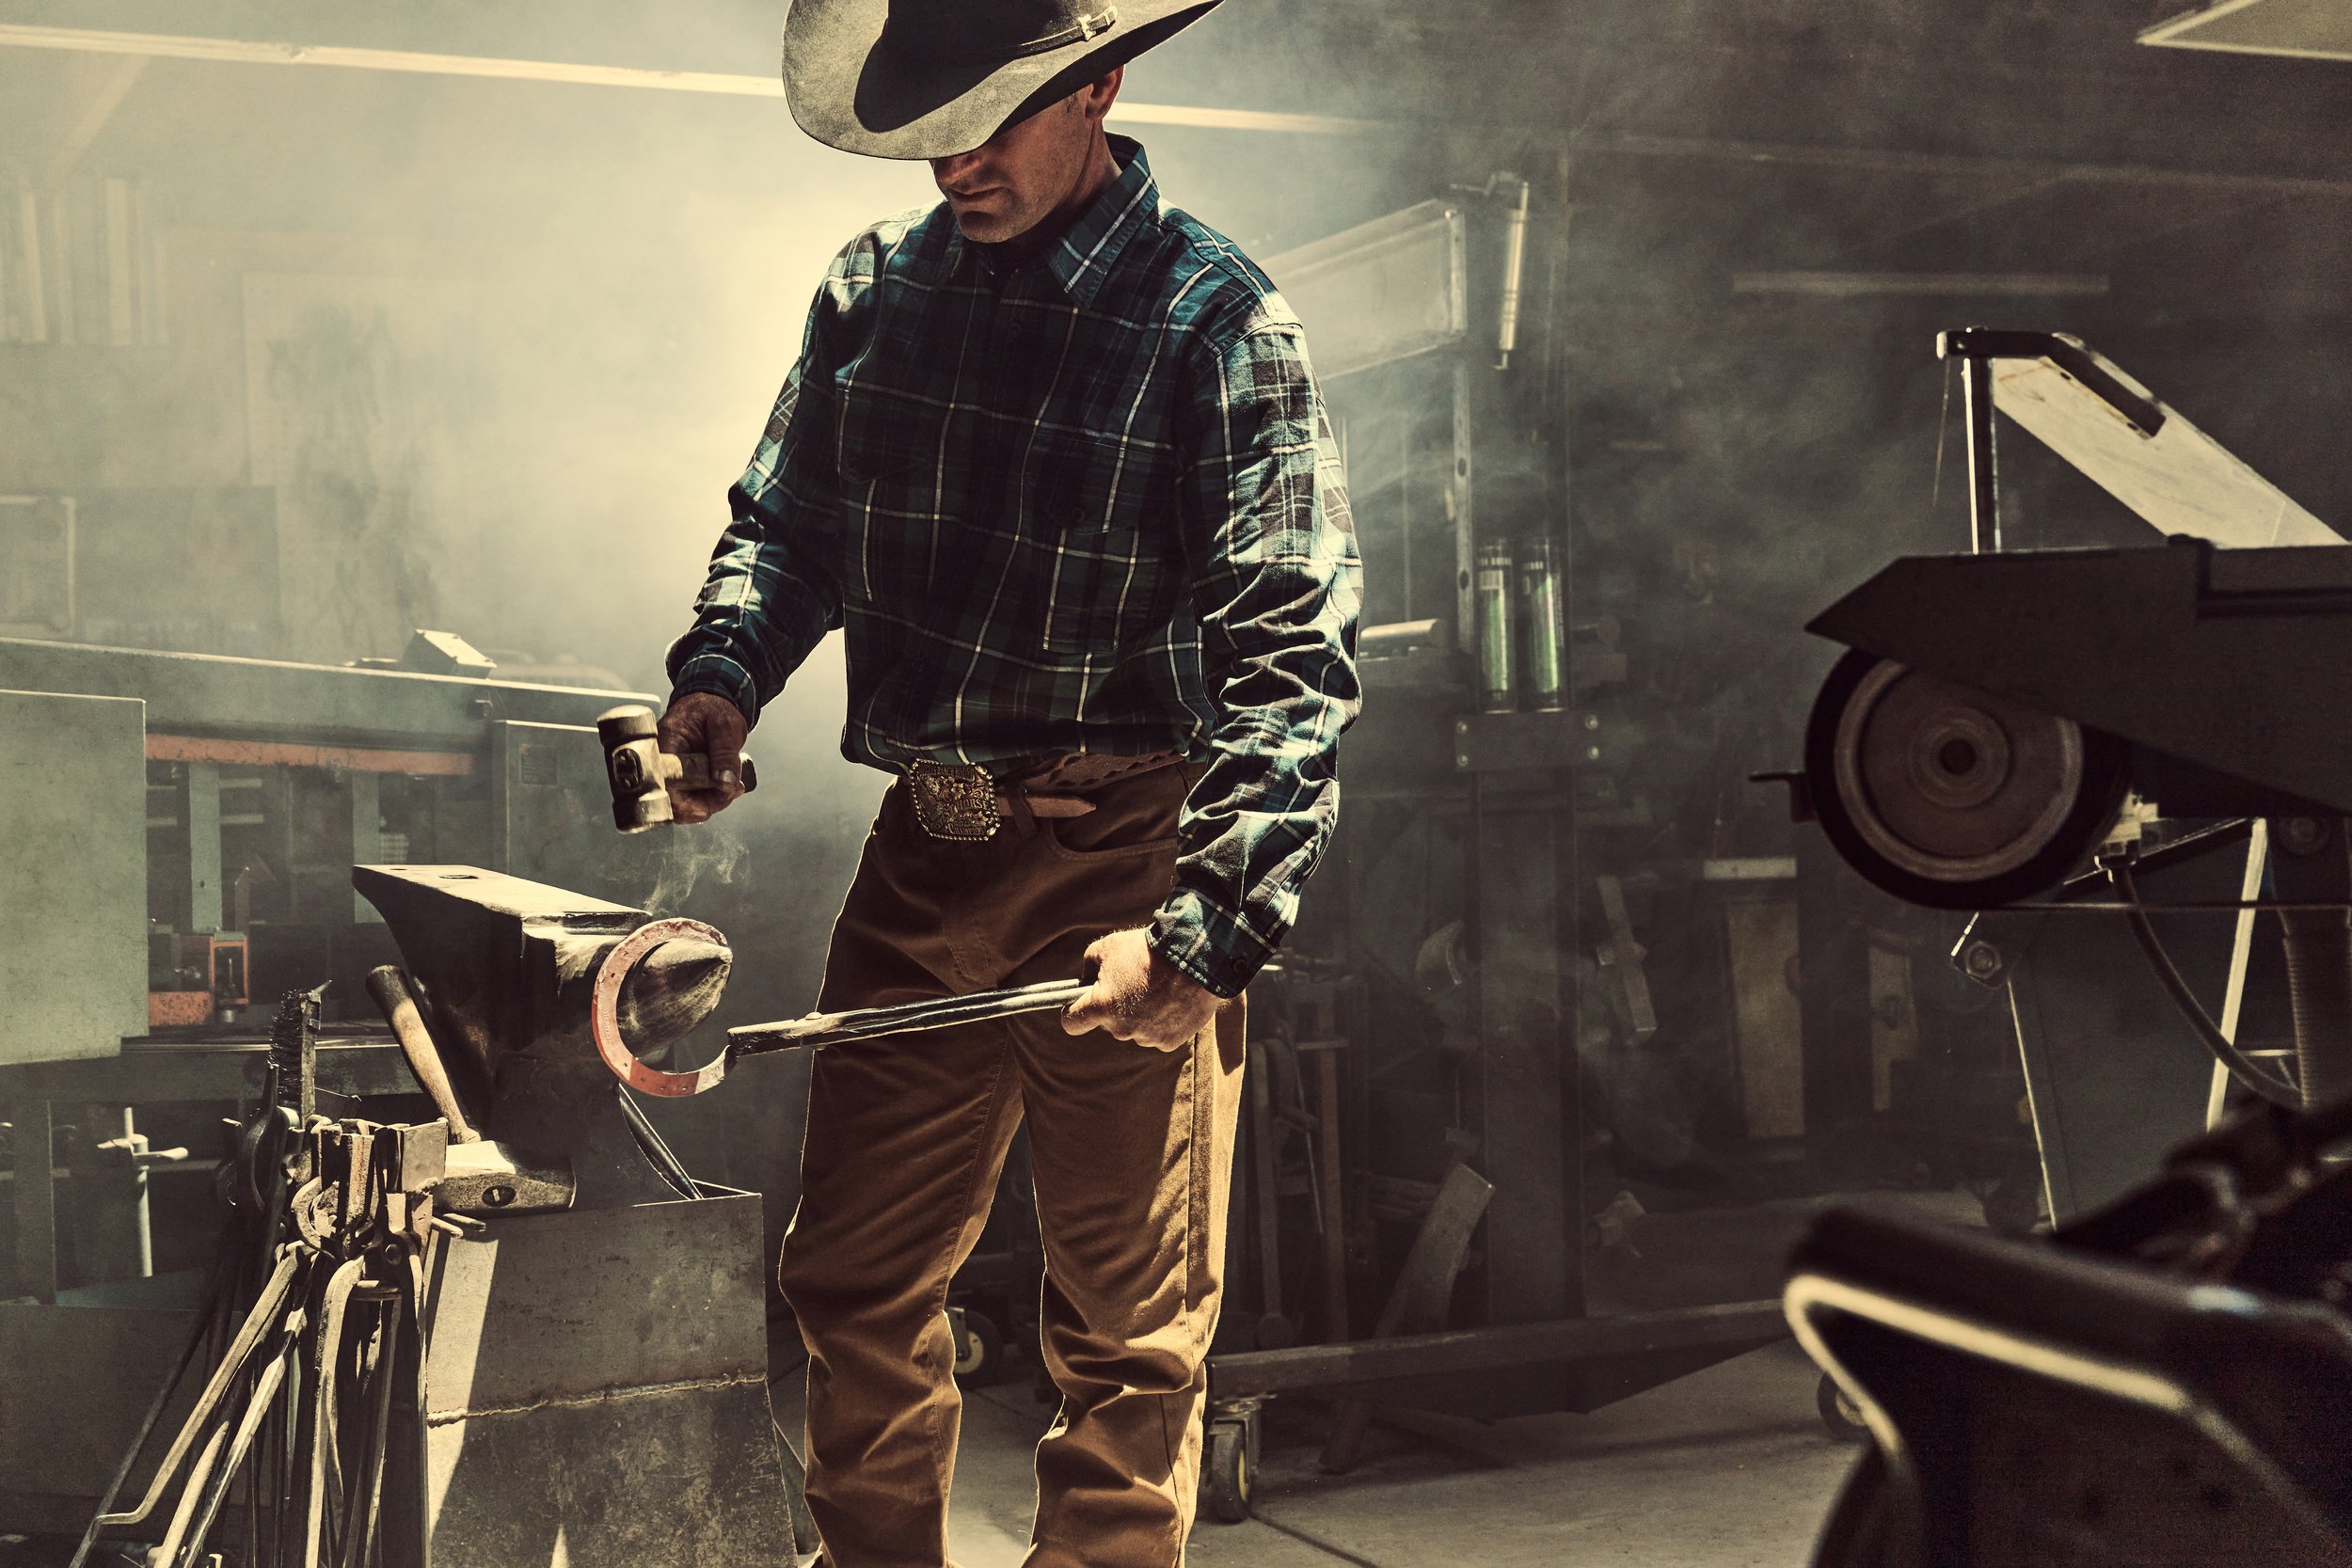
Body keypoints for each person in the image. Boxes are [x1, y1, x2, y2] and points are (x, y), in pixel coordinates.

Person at [659, 2, 1360, 1563]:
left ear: (1099, 86)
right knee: (849, 1282)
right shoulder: (873, 292)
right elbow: (790, 526)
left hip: (1129, 855)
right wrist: (723, 672)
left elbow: (1292, 650)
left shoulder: (1214, 320)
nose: (955, 163)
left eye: (992, 120)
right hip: (928, 859)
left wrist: (1208, 932)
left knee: (1126, 1337)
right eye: (933, 129)